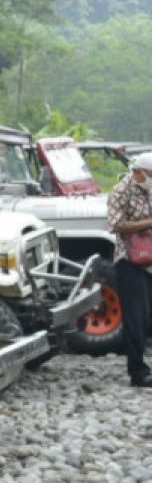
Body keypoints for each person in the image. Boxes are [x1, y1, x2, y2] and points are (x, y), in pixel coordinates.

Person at [106, 152, 152, 387]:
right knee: (136, 318)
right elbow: (116, 225)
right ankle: (137, 371)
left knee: (147, 316)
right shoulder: (120, 191)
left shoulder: (148, 190)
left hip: (149, 259)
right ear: (140, 172)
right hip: (129, 260)